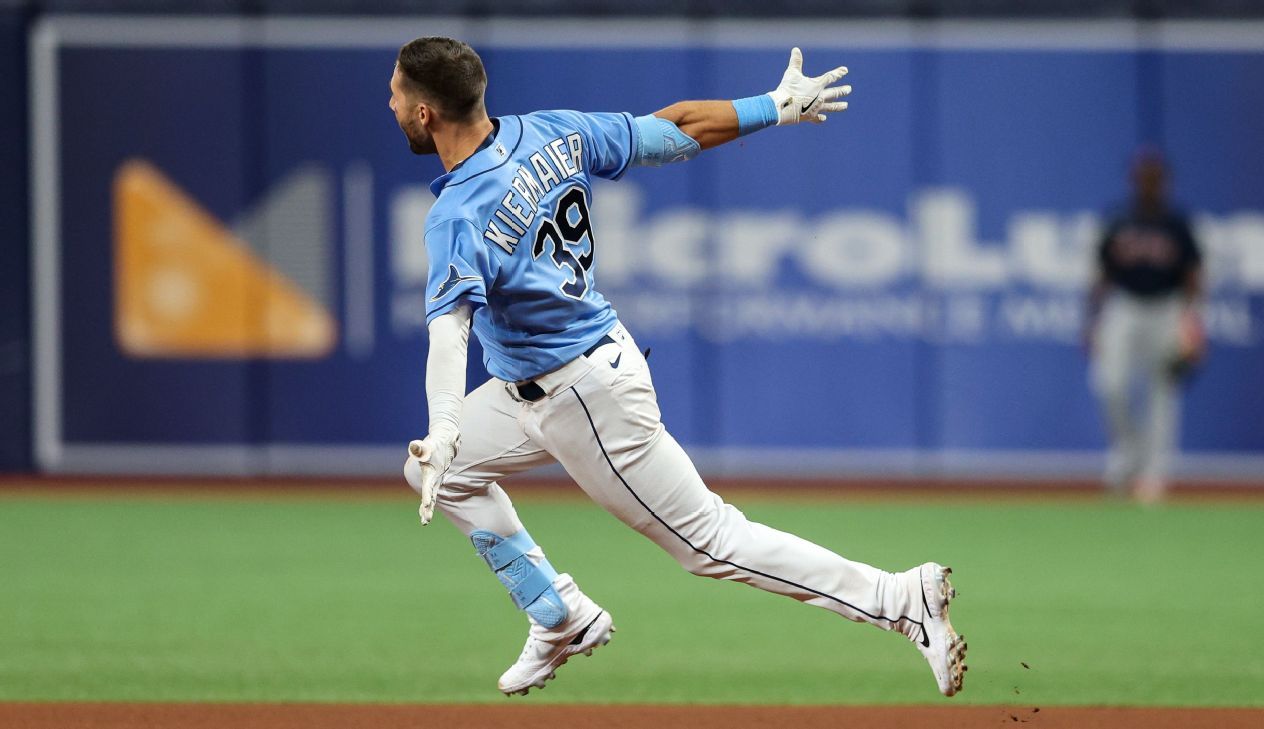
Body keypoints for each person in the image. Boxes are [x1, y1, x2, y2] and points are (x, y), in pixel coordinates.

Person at [390, 36, 966, 698]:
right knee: (440, 470)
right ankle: (556, 613)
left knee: (712, 541)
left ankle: (899, 597)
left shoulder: (456, 212)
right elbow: (677, 128)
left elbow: (449, 328)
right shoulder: (553, 133)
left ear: (427, 112)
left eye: (398, 92)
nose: (392, 100)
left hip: (583, 397)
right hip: (553, 380)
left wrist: (444, 420)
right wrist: (773, 106)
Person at [1086, 148, 1205, 504]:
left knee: (1162, 393)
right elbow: (1102, 273)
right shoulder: (1119, 218)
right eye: (1144, 177)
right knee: (1109, 383)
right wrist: (1092, 318)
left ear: (1165, 183)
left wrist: (1192, 322)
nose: (1150, 184)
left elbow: (1193, 275)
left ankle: (1153, 474)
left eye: (1156, 178)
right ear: (1134, 180)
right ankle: (1127, 456)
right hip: (1124, 306)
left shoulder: (1177, 223)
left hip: (1167, 308)